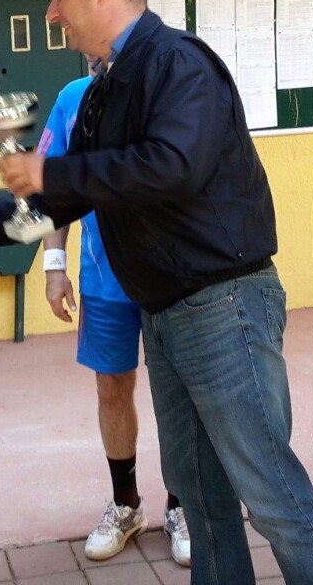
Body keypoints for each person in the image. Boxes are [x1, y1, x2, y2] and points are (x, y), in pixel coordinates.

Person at [0, 0, 313, 585]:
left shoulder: (177, 63)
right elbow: (72, 192)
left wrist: (49, 173)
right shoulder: (105, 87)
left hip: (224, 310)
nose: (51, 12)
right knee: (201, 497)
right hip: (164, 314)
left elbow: (170, 167)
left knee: (274, 496)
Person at [37, 76, 189, 566]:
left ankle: (183, 505)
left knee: (180, 392)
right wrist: (55, 266)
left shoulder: (163, 88)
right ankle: (127, 505)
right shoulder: (70, 100)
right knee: (111, 388)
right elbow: (52, 188)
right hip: (104, 279)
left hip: (169, 275)